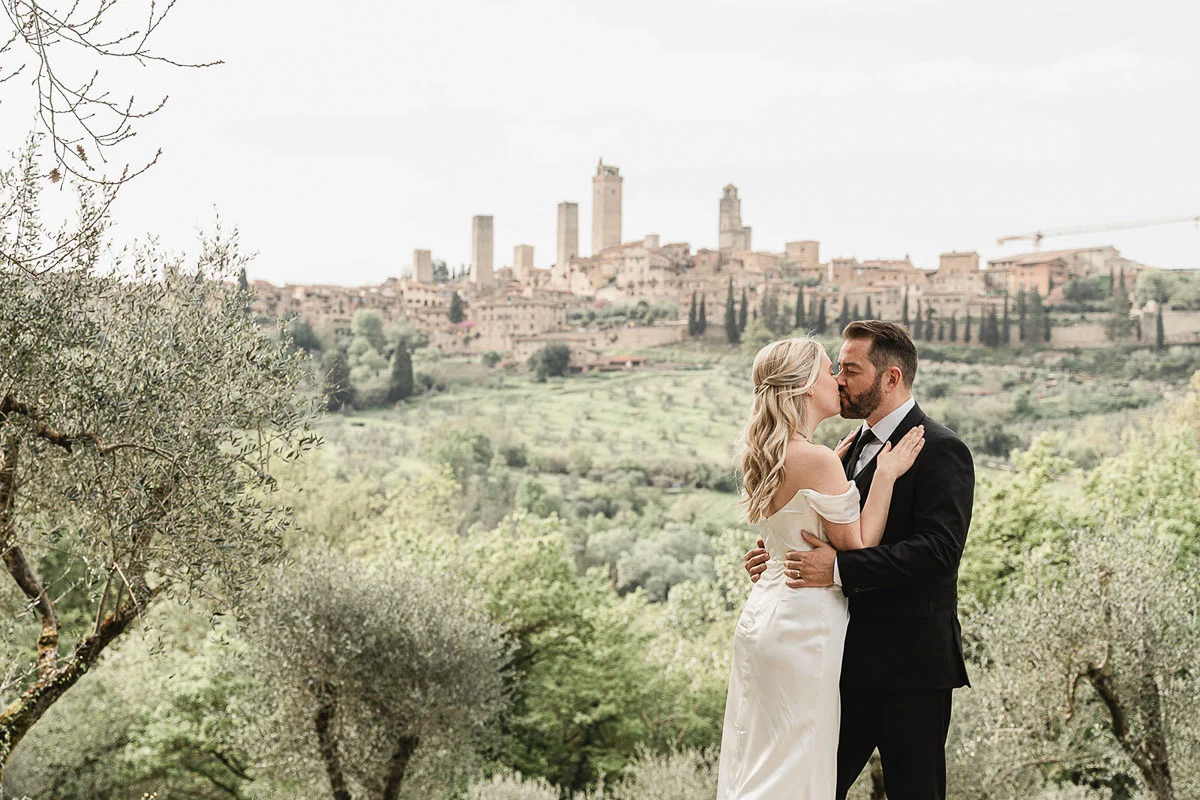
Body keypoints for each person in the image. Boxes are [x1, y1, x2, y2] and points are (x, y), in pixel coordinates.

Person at [743, 321, 975, 800]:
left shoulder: (942, 449)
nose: (838, 379)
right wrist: (778, 555)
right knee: (812, 787)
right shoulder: (838, 453)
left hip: (909, 666)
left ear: (890, 379)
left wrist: (837, 571)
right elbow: (818, 525)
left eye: (850, 369)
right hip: (834, 660)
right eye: (836, 369)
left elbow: (939, 552)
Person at [717, 335, 926, 799]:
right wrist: (886, 475)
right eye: (830, 370)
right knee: (794, 763)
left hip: (765, 615)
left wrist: (832, 465)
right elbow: (859, 543)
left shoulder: (772, 452)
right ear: (807, 387)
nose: (837, 380)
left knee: (761, 754)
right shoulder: (816, 459)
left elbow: (786, 530)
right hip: (803, 626)